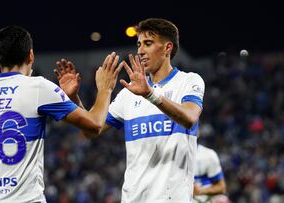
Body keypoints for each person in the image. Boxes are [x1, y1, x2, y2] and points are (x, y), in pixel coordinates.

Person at [55, 18, 205, 203]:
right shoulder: (128, 94)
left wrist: (150, 94)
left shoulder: (189, 81)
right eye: (139, 44)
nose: (140, 51)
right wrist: (73, 99)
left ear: (167, 48)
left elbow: (190, 118)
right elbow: (91, 130)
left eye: (148, 44)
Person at [0, 25, 122, 203]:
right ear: (31, 56)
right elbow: (95, 125)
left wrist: (70, 98)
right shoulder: (38, 87)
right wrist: (105, 89)